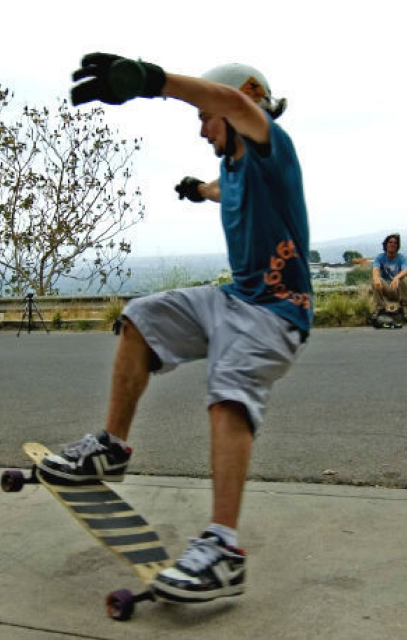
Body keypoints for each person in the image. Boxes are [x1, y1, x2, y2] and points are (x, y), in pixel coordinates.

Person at [40, 55, 311, 604]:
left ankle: (224, 550)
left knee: (228, 388)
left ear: (236, 109)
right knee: (142, 316)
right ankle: (111, 448)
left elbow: (232, 104)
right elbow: (222, 187)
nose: (201, 125)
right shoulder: (235, 167)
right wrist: (197, 190)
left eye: (206, 116)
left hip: (276, 312)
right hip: (233, 299)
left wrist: (152, 83)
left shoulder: (270, 146)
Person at [371, 233, 407, 323]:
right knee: (376, 280)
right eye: (390, 242)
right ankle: (379, 308)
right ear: (386, 244)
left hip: (398, 289)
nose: (393, 244)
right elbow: (375, 269)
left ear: (397, 246)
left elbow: (406, 269)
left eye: (395, 243)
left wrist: (397, 277)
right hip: (387, 287)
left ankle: (405, 306)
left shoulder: (401, 258)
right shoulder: (380, 257)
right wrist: (376, 279)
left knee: (404, 278)